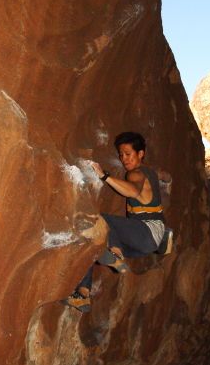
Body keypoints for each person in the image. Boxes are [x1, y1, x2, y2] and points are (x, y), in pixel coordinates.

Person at [62, 131, 169, 313]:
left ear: (140, 154)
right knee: (93, 246)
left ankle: (116, 254)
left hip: (147, 232)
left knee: (99, 220)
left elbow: (133, 191)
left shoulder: (136, 174)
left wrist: (104, 176)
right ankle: (82, 295)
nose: (123, 159)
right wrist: (165, 177)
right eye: (121, 155)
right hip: (148, 241)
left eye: (128, 154)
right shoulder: (149, 172)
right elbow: (164, 176)